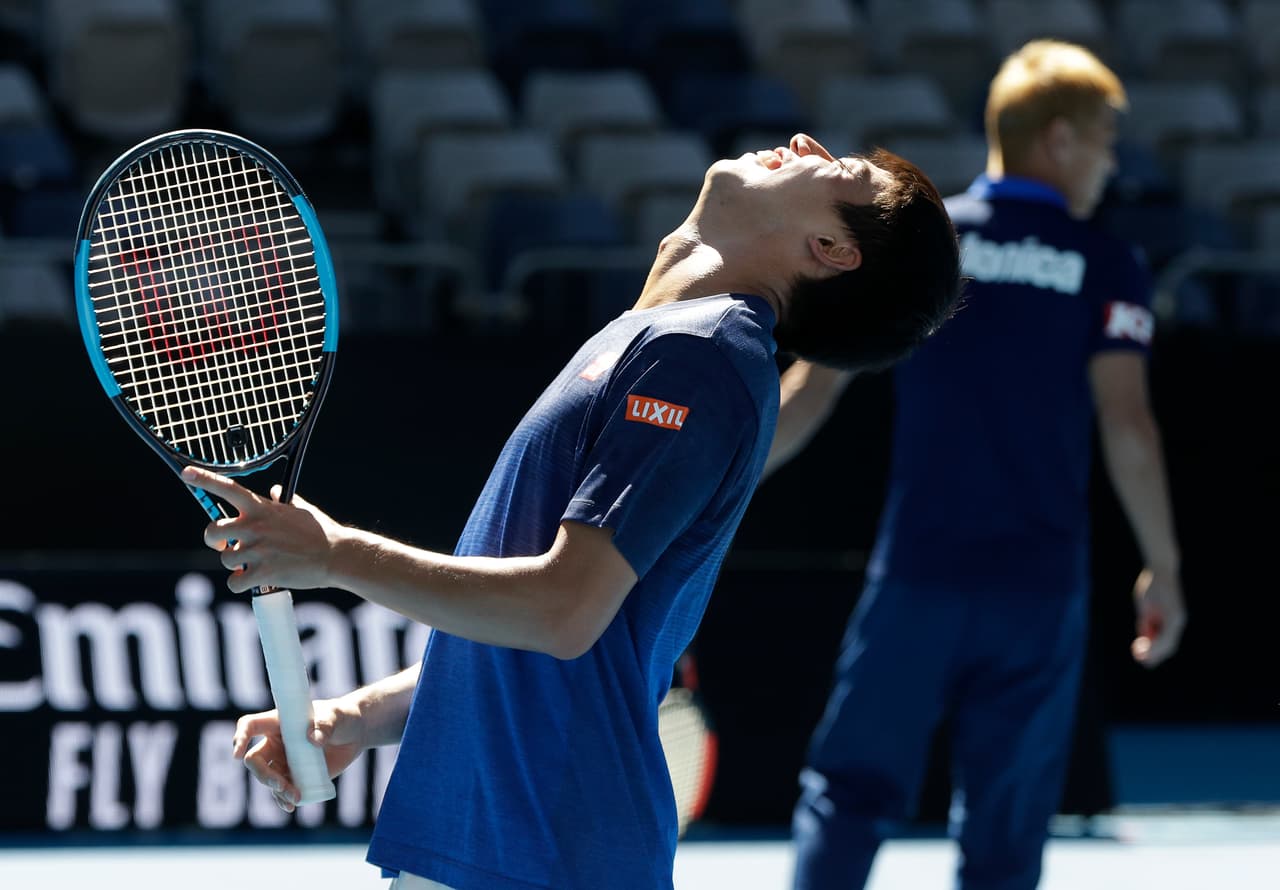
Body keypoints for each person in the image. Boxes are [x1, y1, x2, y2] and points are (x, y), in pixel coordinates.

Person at [184, 132, 962, 890]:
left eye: (841, 170)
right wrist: (360, 713)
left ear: (831, 247)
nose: (804, 142)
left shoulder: (703, 356)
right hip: (498, 841)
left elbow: (562, 611)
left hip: (544, 850)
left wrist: (334, 554)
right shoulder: (672, 343)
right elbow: (547, 642)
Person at [777, 42, 1188, 890]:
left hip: (917, 581)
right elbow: (1130, 424)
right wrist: (1166, 566)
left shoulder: (925, 244)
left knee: (849, 795)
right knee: (1006, 830)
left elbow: (812, 392)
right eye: (1106, 140)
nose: (1114, 163)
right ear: (1061, 140)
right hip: (1036, 595)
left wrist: (708, 485)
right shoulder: (1107, 264)